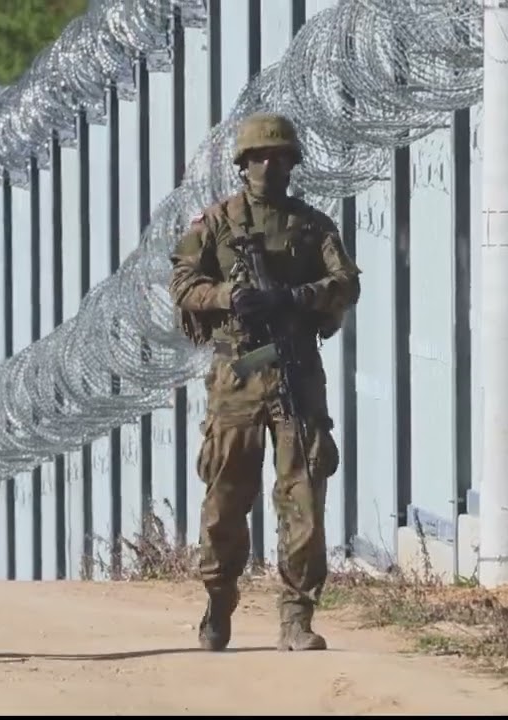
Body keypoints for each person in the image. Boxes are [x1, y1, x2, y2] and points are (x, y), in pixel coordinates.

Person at [167, 112, 363, 652]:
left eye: (281, 158)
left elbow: (345, 281)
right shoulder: (217, 224)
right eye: (261, 158)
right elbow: (182, 283)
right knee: (227, 492)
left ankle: (296, 615)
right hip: (241, 367)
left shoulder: (313, 226)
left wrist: (295, 297)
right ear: (243, 163)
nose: (271, 167)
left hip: (295, 365)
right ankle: (218, 599)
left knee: (302, 493)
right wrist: (229, 297)